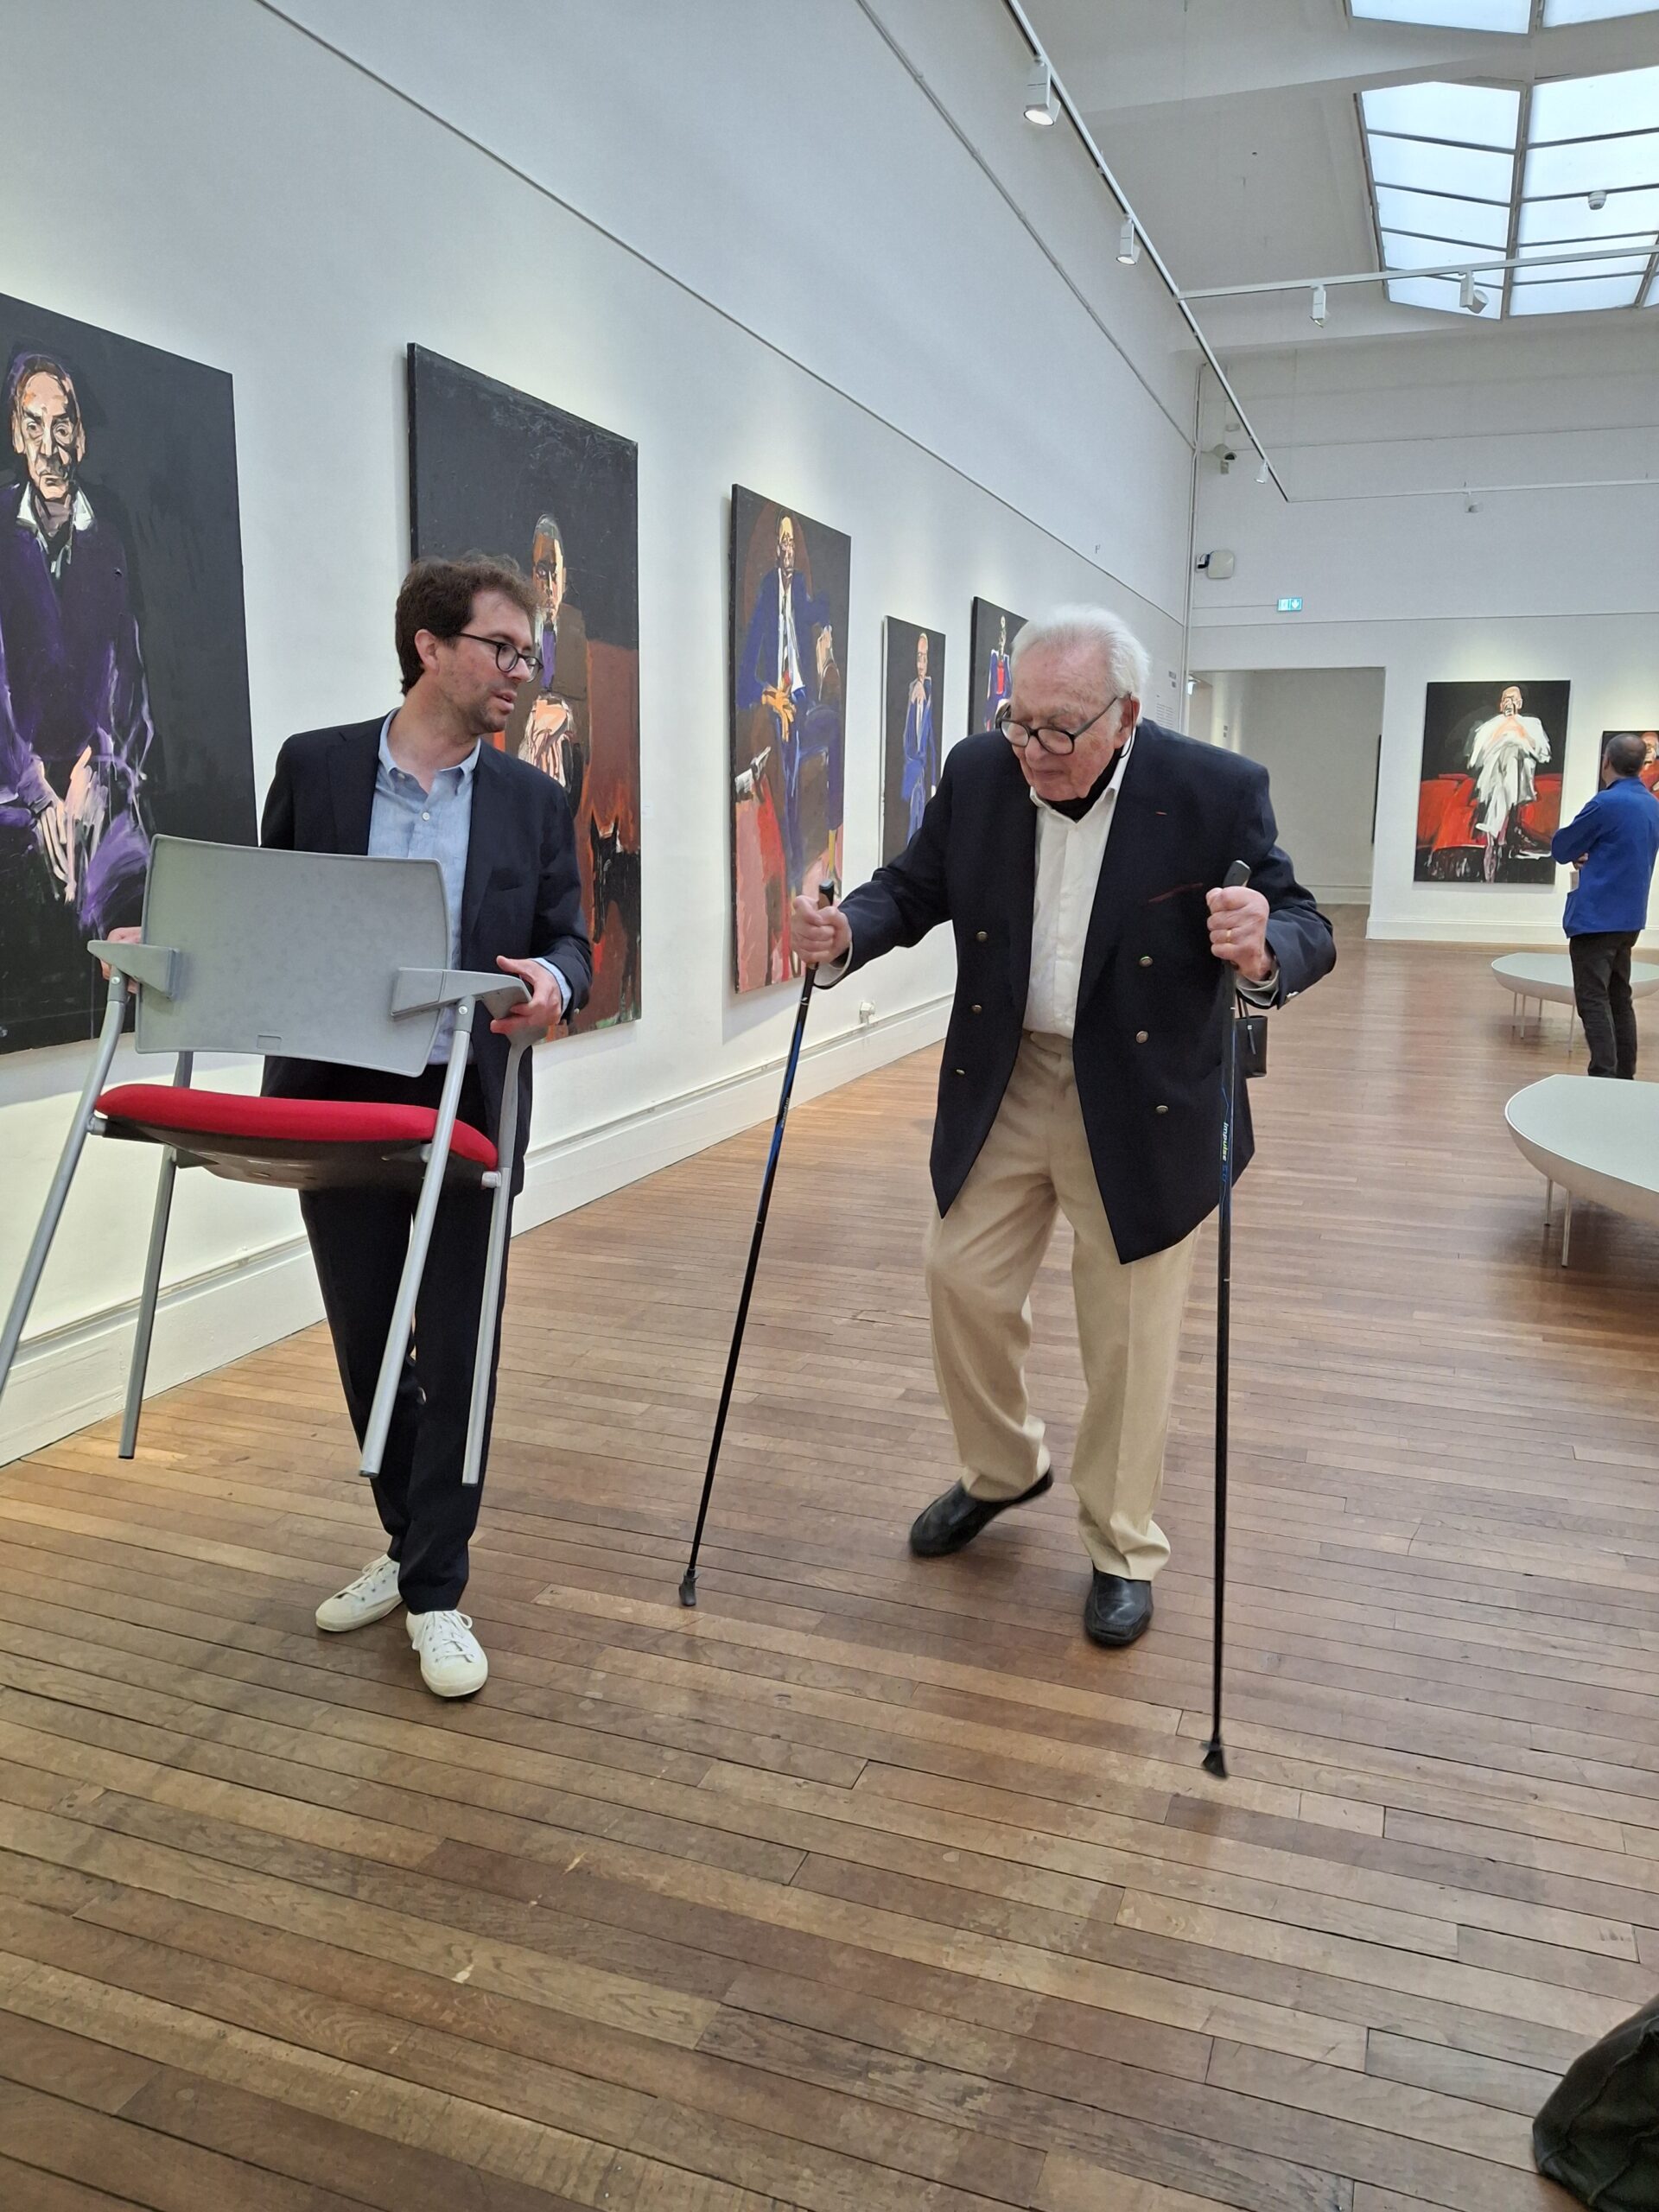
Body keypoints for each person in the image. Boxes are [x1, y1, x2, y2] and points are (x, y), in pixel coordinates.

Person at [792, 606, 1333, 1649]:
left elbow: (1304, 918)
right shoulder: (982, 771)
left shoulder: (1212, 789)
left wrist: (1265, 945)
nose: (1034, 748)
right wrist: (845, 930)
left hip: (1143, 1091)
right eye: (1019, 720)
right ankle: (1004, 1468)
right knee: (959, 1275)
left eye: (1060, 728)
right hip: (1009, 1073)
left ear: (1124, 715)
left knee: (1129, 1331)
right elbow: (912, 886)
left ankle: (1121, 1542)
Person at [263, 557, 591, 1695]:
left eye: (527, 655)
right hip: (336, 1100)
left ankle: (438, 1588)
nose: (520, 672)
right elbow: (271, 918)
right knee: (366, 1340)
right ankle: (410, 1548)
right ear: (430, 647)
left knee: (456, 1345)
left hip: (468, 1103)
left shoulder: (532, 802)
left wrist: (553, 981)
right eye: (503, 648)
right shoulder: (315, 768)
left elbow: (569, 938)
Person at [0, 350, 153, 934]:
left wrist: (102, 768)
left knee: (131, 885)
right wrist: (37, 792)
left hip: (94, 780)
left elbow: (128, 674)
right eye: (34, 427)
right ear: (17, 435)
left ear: (80, 438)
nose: (49, 448)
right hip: (13, 788)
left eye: (61, 427)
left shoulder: (107, 537)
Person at [734, 512, 841, 945]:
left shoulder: (798, 591)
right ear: (774, 551)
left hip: (802, 699)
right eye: (783, 543)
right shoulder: (766, 594)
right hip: (778, 704)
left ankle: (831, 840)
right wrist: (770, 697)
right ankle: (797, 883)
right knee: (790, 759)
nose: (789, 550)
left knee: (835, 728)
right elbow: (744, 679)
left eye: (793, 543)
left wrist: (827, 625)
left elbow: (817, 610)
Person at [1551, 730, 1659, 1080]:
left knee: (1593, 999)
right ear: (1641, 765)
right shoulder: (1652, 805)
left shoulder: (1605, 804)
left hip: (1597, 918)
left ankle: (1603, 1077)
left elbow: (1562, 848)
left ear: (1606, 762)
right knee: (1619, 998)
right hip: (1629, 919)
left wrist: (1582, 851)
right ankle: (1624, 1077)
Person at [1468, 684, 1550, 883]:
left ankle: (1493, 832)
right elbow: (1477, 758)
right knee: (1503, 758)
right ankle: (1499, 835)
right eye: (1506, 699)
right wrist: (1503, 731)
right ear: (1500, 704)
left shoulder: (1531, 724)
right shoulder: (1489, 726)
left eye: (1513, 699)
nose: (1509, 703)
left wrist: (1517, 730)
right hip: (1493, 776)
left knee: (1512, 750)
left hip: (1518, 774)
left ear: (1520, 703)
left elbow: (1543, 754)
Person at [900, 630, 936, 841]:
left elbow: (932, 742)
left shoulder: (930, 693)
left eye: (925, 658)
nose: (921, 664)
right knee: (910, 830)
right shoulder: (911, 690)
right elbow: (906, 738)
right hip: (910, 773)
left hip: (922, 778)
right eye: (918, 657)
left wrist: (934, 783)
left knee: (921, 829)